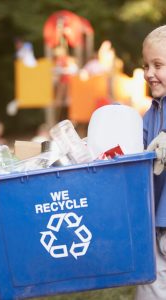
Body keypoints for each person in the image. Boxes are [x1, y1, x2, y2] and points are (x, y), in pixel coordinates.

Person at [135, 25, 166, 300]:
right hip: (156, 217)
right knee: (150, 280)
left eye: (158, 65)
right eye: (146, 65)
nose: (149, 73)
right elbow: (135, 147)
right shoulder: (153, 110)